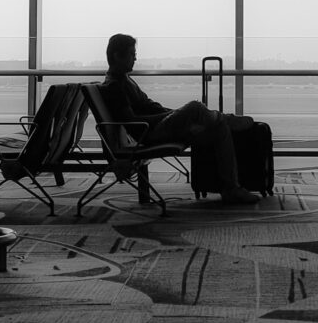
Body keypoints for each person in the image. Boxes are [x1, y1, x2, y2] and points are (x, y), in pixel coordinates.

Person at [101, 33, 260, 205]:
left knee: (219, 129)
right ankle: (226, 118)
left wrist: (175, 114)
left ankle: (231, 188)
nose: (135, 58)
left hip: (153, 128)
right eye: (132, 54)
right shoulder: (114, 87)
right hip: (148, 134)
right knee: (195, 107)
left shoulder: (124, 80)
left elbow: (149, 106)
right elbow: (132, 122)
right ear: (118, 56)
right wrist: (172, 115)